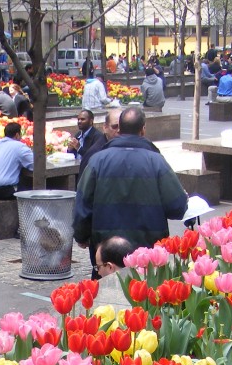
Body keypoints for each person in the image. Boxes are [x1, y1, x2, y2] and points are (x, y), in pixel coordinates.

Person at [73, 105, 187, 278]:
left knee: (106, 301)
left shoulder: (97, 161)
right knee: (146, 300)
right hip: (148, 254)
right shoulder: (156, 162)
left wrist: (81, 236)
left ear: (120, 128)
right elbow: (177, 208)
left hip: (106, 252)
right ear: (143, 130)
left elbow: (82, 205)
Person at [0, 122, 33, 200]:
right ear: (17, 135)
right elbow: (35, 165)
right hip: (3, 191)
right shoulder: (19, 146)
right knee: (27, 184)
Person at [68, 109, 107, 174]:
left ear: (91, 121)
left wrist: (79, 148)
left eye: (83, 119)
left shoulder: (98, 137)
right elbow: (73, 155)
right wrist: (70, 149)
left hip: (89, 171)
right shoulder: (78, 134)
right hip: (76, 170)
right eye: (78, 119)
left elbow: (93, 157)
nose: (79, 121)